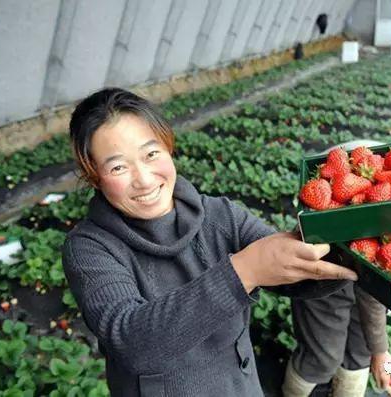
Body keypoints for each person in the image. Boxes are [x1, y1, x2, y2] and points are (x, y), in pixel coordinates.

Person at [61, 87, 359, 396]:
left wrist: (350, 250)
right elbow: (132, 342)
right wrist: (243, 272)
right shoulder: (90, 249)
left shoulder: (219, 216)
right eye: (118, 167)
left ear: (168, 147)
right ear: (94, 175)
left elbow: (293, 273)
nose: (145, 179)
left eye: (151, 154)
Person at [282, 140, 391, 397]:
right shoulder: (380, 214)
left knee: (360, 350)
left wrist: (377, 350)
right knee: (323, 357)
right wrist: (381, 350)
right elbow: (373, 289)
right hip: (325, 264)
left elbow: (375, 288)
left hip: (360, 238)